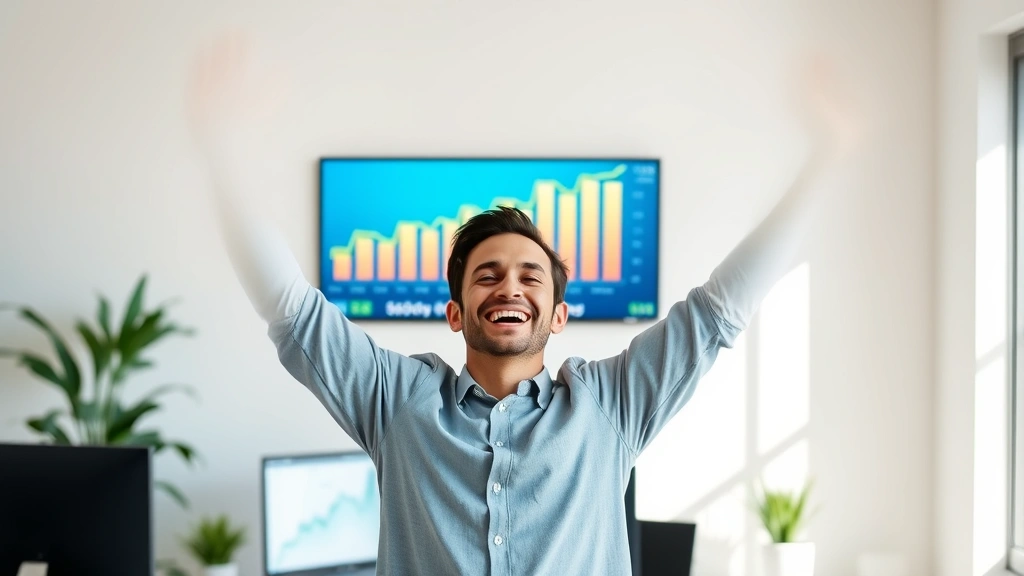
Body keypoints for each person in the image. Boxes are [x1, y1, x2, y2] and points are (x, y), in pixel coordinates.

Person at [188, 38, 852, 576]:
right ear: (455, 312)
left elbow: (719, 311)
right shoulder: (396, 403)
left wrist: (828, 156)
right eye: (488, 275)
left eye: (531, 276)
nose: (510, 287)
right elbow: (291, 309)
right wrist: (219, 145)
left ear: (559, 315)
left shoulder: (610, 406)